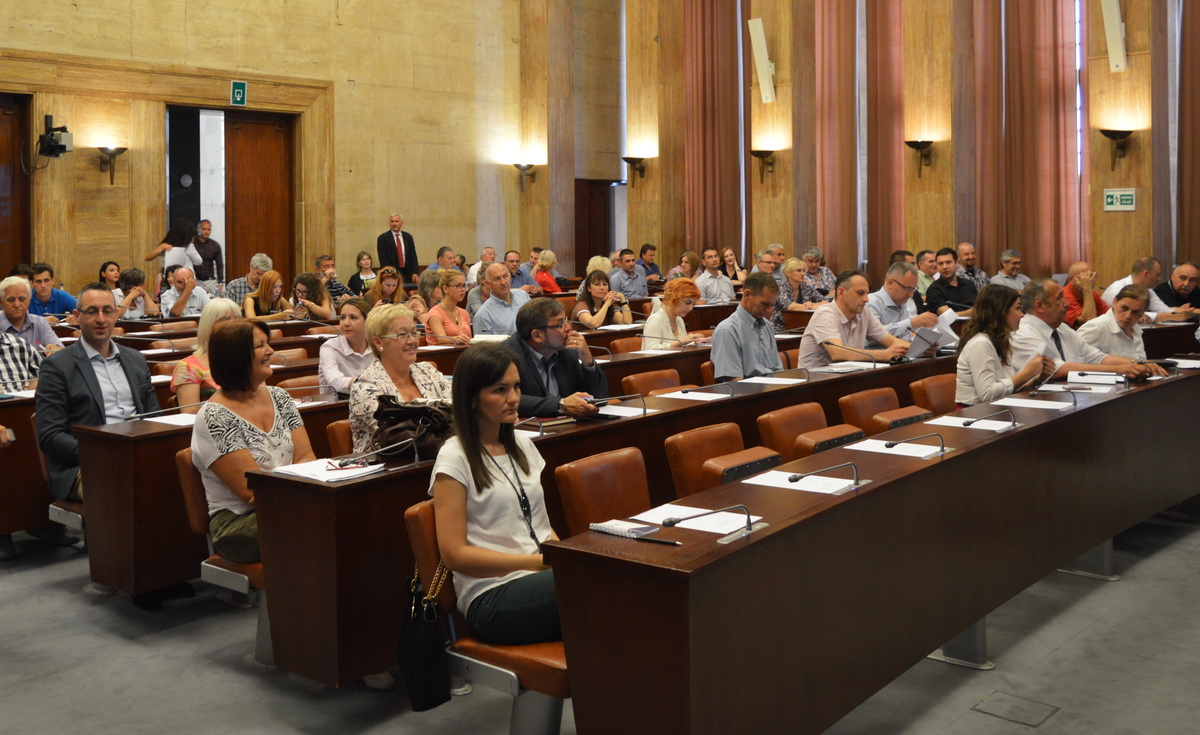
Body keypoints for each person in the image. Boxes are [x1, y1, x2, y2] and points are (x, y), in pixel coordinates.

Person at [429, 342, 560, 645]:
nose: (514, 398)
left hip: (540, 576)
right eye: (499, 390)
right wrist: (535, 563)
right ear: (472, 398)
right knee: (599, 584)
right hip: (491, 595)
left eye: (516, 387)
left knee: (608, 580)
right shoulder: (455, 457)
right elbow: (454, 555)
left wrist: (563, 556)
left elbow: (539, 524)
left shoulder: (524, 445)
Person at [192, 318, 314, 563]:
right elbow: (252, 492)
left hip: (290, 505)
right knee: (319, 523)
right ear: (236, 356)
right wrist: (309, 502)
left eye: (268, 344)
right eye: (260, 346)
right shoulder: (215, 417)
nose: (270, 351)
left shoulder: (280, 396)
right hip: (239, 522)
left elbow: (306, 458)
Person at [36, 283, 159, 501]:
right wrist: (106, 453)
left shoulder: (136, 360)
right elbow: (50, 436)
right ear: (77, 315)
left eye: (107, 311)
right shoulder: (57, 366)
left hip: (138, 456)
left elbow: (154, 418)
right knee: (123, 485)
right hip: (85, 465)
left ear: (116, 314)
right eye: (92, 311)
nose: (101, 319)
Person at [1010, 278, 1163, 381]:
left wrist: (1141, 363)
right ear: (1040, 306)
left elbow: (1098, 358)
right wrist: (1121, 369)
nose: (1067, 304)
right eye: (1059, 298)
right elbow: (1056, 369)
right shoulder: (1023, 333)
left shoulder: (1062, 329)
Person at [349, 303, 452, 452]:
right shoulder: (366, 386)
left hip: (436, 457)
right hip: (386, 467)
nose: (412, 341)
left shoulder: (428, 371)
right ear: (378, 342)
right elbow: (397, 436)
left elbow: (458, 411)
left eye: (414, 332)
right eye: (402, 335)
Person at [501, 298, 607, 417]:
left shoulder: (567, 352)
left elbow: (599, 399)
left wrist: (588, 361)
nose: (569, 328)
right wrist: (560, 405)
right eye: (560, 324)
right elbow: (505, 399)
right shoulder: (506, 357)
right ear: (537, 336)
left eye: (566, 320)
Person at [955, 285, 1054, 405]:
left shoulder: (1000, 339)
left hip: (995, 410)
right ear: (1001, 312)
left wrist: (1038, 379)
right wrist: (1027, 373)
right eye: (1017, 308)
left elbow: (1009, 389)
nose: (1022, 314)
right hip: (973, 414)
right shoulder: (981, 343)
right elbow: (987, 395)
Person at [797, 271, 910, 369]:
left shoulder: (864, 313)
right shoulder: (825, 313)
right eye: (860, 293)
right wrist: (882, 355)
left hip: (847, 378)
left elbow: (891, 341)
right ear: (841, 292)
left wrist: (920, 348)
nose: (866, 299)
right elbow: (837, 352)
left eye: (867, 293)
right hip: (814, 383)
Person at [172, 298, 242, 413]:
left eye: (238, 318)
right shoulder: (188, 367)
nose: (234, 324)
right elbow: (191, 414)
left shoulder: (247, 359)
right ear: (209, 325)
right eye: (225, 319)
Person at [711, 272, 784, 380]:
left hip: (771, 389)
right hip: (747, 393)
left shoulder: (767, 326)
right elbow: (734, 381)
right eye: (765, 304)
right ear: (747, 295)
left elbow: (778, 371)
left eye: (772, 305)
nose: (769, 310)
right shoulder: (727, 330)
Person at [1100, 257, 1192, 322]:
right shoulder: (1118, 289)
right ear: (1146, 274)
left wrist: (1178, 313)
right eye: (1157, 275)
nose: (1159, 279)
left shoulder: (1148, 290)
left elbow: (1164, 311)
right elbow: (1123, 316)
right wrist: (1165, 316)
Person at [1077, 285, 1153, 362]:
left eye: (1136, 312)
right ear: (1114, 302)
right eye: (1124, 308)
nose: (1128, 316)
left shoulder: (1136, 330)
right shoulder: (1096, 327)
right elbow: (1073, 359)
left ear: (1144, 312)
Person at [866, 262, 939, 342]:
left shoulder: (901, 302)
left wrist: (920, 343)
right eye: (907, 289)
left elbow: (902, 337)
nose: (911, 295)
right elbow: (874, 334)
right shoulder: (871, 302)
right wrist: (912, 323)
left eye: (913, 289)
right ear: (890, 283)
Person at [319, 298, 376, 400]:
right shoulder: (329, 347)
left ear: (368, 320)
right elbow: (334, 380)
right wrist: (368, 383)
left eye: (353, 318)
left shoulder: (376, 346)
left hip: (373, 402)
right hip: (337, 406)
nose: (346, 323)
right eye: (342, 318)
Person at [0, 276, 64, 354]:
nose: (17, 304)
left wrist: (55, 349)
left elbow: (61, 351)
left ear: (29, 300)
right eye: (11, 300)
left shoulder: (40, 323)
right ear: (1, 302)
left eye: (22, 299)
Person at [642, 278, 707, 349]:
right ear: (673, 298)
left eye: (693, 304)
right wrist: (680, 342)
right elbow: (650, 351)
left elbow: (682, 345)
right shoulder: (656, 319)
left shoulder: (679, 320)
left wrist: (695, 341)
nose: (690, 308)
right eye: (687, 303)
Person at [475, 263, 533, 335]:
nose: (503, 282)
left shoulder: (523, 296)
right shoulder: (483, 315)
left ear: (510, 276)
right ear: (487, 283)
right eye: (497, 279)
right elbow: (483, 345)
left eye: (506, 276)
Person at [144, 218, 201, 283]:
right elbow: (148, 258)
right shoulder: (165, 245)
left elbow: (197, 261)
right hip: (170, 278)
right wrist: (161, 249)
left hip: (184, 278)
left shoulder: (188, 246)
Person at [772, 257, 822, 331]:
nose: (803, 274)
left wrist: (812, 304)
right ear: (788, 273)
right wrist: (810, 306)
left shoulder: (806, 287)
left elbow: (826, 302)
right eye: (798, 271)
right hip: (780, 329)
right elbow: (790, 306)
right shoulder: (780, 287)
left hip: (802, 327)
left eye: (804, 271)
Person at [925, 247, 977, 315]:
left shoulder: (968, 284)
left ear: (956, 262)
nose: (944, 267)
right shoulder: (934, 290)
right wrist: (975, 312)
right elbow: (948, 316)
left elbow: (980, 305)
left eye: (948, 262)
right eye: (940, 264)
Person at [426, 269, 473, 345]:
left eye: (464, 285)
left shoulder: (464, 313)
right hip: (440, 355)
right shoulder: (435, 313)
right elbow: (441, 339)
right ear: (445, 289)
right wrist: (457, 338)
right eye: (458, 286)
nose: (463, 289)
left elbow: (469, 340)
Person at [1062, 261, 1108, 328]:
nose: (1090, 281)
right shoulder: (1064, 295)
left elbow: (1109, 315)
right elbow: (1089, 323)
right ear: (1071, 279)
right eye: (1085, 278)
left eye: (1092, 276)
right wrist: (1087, 289)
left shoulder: (1093, 294)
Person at [377, 212, 420, 284]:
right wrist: (390, 273)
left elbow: (413, 256)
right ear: (389, 223)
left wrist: (415, 272)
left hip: (407, 274)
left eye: (396, 221)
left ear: (402, 223)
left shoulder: (408, 237)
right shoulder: (383, 238)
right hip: (391, 274)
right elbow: (383, 259)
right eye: (392, 221)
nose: (394, 224)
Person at [192, 219, 224, 296]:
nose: (206, 231)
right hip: (195, 279)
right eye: (204, 229)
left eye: (209, 229)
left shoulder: (215, 245)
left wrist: (220, 282)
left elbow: (219, 265)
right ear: (198, 229)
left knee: (219, 297)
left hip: (210, 280)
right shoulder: (192, 243)